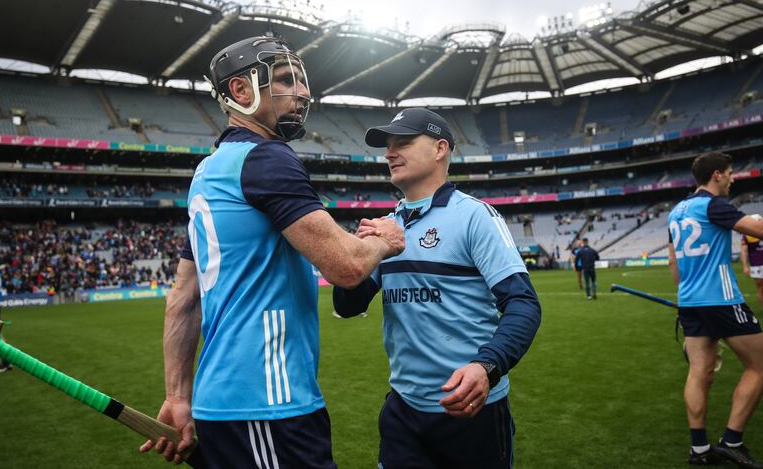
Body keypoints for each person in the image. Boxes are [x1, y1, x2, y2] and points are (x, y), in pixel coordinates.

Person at [139, 36, 404, 468]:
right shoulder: (268, 159)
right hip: (267, 400)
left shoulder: (209, 171)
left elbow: (182, 301)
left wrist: (177, 396)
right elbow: (349, 266)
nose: (301, 91)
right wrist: (385, 238)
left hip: (222, 403)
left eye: (301, 79)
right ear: (241, 92)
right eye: (284, 79)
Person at [333, 108, 542, 468]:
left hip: (472, 410)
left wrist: (487, 367)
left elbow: (523, 304)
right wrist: (361, 251)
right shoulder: (385, 226)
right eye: (387, 146)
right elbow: (348, 305)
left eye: (403, 142)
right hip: (403, 411)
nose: (389, 153)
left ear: (440, 148)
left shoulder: (475, 216)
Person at [667, 152, 763, 468]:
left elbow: (674, 265)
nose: (733, 179)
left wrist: (685, 297)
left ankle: (699, 449)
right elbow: (756, 229)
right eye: (731, 173)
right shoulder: (714, 205)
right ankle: (731, 441)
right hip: (722, 300)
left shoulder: (676, 212)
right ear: (717, 175)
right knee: (760, 366)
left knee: (699, 371)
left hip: (691, 303)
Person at [740, 231, 763, 308]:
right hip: (756, 265)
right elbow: (744, 251)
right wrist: (745, 266)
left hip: (756, 265)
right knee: (760, 287)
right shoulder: (747, 235)